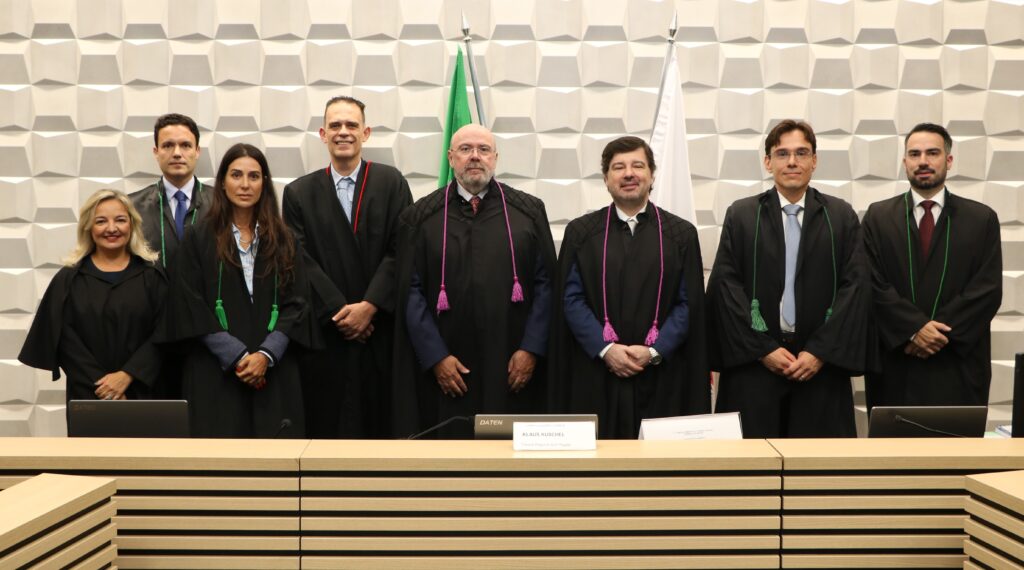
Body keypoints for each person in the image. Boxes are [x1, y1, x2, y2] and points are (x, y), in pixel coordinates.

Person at [393, 124, 557, 438]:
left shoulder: (528, 212)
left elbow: (546, 285)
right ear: (450, 157)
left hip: (511, 362)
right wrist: (435, 356)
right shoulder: (420, 217)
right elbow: (410, 291)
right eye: (465, 149)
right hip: (446, 364)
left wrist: (531, 349)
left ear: (495, 158)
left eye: (483, 149)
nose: (475, 157)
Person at [707, 120, 869, 438]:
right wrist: (763, 349)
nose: (792, 162)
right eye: (782, 154)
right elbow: (727, 288)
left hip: (820, 368)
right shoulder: (742, 215)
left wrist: (819, 352)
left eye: (801, 153)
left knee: (817, 463)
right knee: (753, 462)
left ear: (814, 160)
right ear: (768, 162)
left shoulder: (840, 216)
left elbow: (855, 288)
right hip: (755, 366)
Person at [551, 136, 710, 438]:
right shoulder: (581, 232)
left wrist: (654, 351)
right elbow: (570, 298)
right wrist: (606, 349)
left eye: (638, 166)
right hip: (597, 373)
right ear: (605, 178)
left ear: (652, 175)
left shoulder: (680, 234)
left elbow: (689, 303)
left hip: (661, 374)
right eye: (618, 167)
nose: (628, 174)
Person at [160, 143, 315, 438]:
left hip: (274, 372)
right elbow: (189, 303)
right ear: (222, 182)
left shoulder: (284, 239)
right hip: (215, 374)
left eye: (254, 176)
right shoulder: (198, 238)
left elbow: (298, 303)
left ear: (264, 183)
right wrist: (238, 356)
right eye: (236, 175)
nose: (245, 184)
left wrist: (266, 355)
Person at [282, 96, 412, 438]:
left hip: (379, 331)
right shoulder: (299, 193)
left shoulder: (391, 183)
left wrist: (369, 307)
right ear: (323, 134)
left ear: (365, 133)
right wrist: (341, 312)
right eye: (335, 125)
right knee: (329, 428)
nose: (343, 132)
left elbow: (402, 249)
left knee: (380, 428)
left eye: (352, 125)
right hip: (327, 333)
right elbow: (299, 259)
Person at [863, 123, 1002, 408]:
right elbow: (871, 284)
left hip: (958, 365)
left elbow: (986, 290)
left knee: (955, 439)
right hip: (896, 361)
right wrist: (914, 329)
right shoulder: (878, 218)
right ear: (904, 162)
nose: (923, 161)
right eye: (914, 154)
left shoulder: (981, 219)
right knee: (894, 439)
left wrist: (934, 335)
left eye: (932, 153)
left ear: (948, 160)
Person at [19, 190, 166, 403]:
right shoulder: (68, 280)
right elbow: (64, 340)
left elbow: (164, 333)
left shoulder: (152, 276)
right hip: (88, 394)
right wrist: (105, 387)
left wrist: (128, 375)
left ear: (132, 225)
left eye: (120, 220)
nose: (111, 228)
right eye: (101, 221)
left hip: (142, 391)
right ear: (88, 227)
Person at [129, 113, 212, 271]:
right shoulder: (133, 207)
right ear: (156, 152)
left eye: (186, 145)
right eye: (168, 145)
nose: (177, 153)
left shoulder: (221, 203)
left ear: (197, 151)